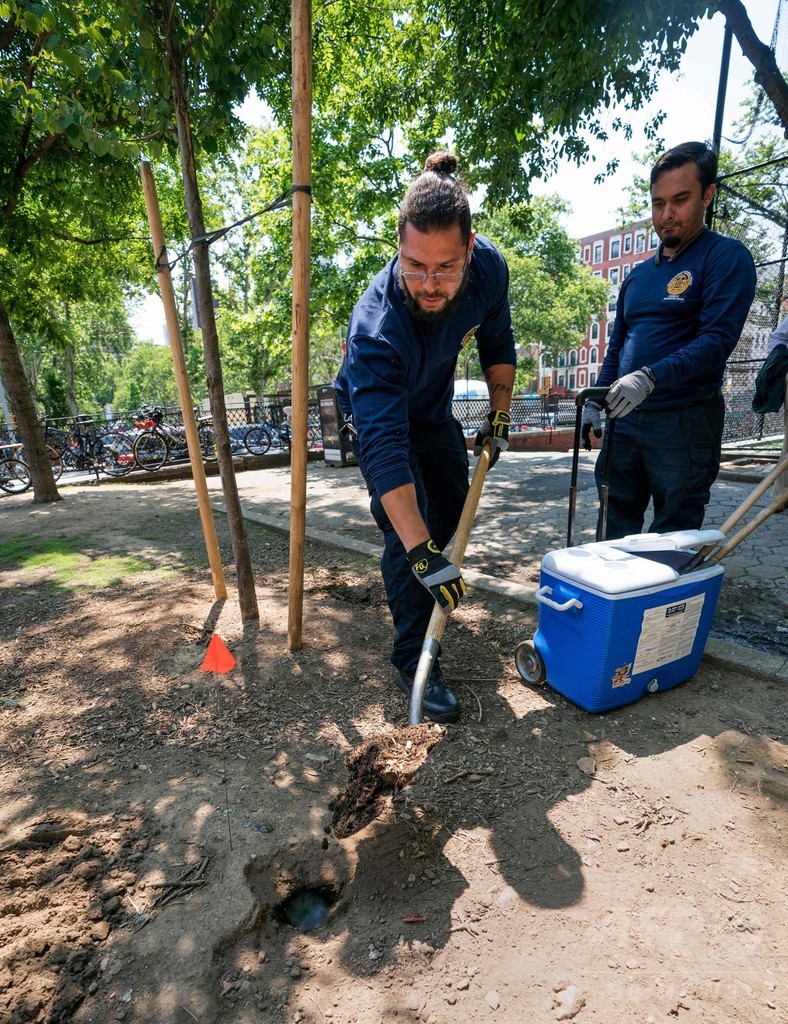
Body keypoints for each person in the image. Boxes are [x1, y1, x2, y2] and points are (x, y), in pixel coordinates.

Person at [335, 152, 517, 723]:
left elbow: (498, 339)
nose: (430, 284)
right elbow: (386, 454)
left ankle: (425, 578)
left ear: (469, 250)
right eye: (415, 266)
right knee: (408, 535)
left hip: (434, 410)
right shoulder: (377, 331)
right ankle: (414, 659)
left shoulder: (489, 270)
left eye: (445, 267)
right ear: (398, 247)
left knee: (449, 514)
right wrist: (421, 555)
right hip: (379, 418)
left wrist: (501, 413)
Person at [581, 141, 756, 540]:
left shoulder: (725, 258)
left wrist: (650, 377)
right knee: (613, 526)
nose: (667, 214)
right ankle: (614, 604)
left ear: (708, 194)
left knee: (672, 536)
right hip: (624, 419)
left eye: (680, 200)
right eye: (658, 203)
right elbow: (618, 347)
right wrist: (596, 399)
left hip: (684, 422)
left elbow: (716, 341)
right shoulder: (639, 276)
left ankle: (663, 605)